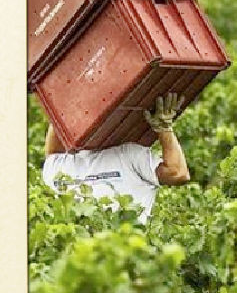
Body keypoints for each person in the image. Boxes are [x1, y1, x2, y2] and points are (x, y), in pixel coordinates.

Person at [42, 92, 190, 223]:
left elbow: (178, 174)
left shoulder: (128, 155)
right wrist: (66, 100)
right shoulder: (60, 166)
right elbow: (55, 141)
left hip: (125, 251)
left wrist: (164, 129)